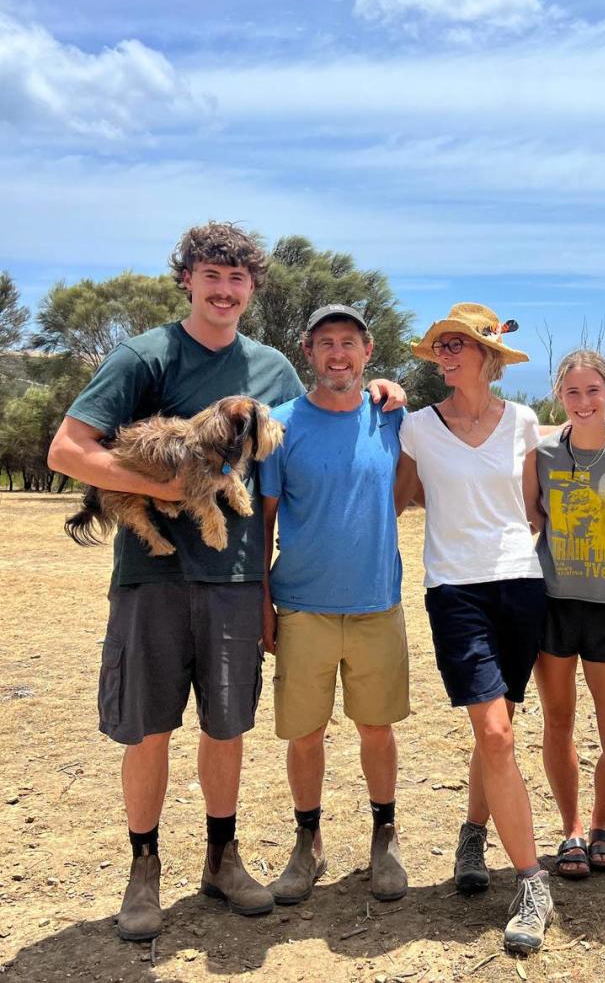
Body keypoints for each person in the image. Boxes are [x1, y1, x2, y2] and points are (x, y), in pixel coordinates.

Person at [47, 225, 404, 942]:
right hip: (152, 578)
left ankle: (221, 856)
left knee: (226, 727)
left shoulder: (271, 367)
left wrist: (380, 387)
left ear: (252, 288)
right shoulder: (144, 356)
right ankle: (143, 868)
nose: (224, 289)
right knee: (148, 729)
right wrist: (168, 483)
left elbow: (324, 406)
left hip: (236, 579)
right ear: (188, 278)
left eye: (237, 279)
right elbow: (68, 448)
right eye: (211, 274)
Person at [396, 303, 553, 956]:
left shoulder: (523, 423)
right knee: (493, 730)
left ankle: (471, 833)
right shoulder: (414, 429)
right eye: (442, 344)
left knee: (501, 731)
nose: (448, 353)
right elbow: (396, 498)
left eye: (460, 343)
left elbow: (532, 509)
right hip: (455, 592)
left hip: (521, 586)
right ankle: (532, 881)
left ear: (490, 357)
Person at [260, 304, 409, 906]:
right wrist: (261, 602)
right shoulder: (279, 425)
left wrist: (396, 392)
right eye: (326, 344)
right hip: (301, 606)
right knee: (306, 733)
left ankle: (385, 837)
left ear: (368, 352)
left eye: (349, 342)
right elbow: (262, 522)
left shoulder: (391, 420)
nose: (338, 354)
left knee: (376, 728)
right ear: (308, 352)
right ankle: (308, 843)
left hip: (377, 603)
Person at [524, 350, 605, 880]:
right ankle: (572, 828)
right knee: (559, 723)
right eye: (572, 393)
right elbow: (529, 518)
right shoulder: (542, 454)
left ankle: (603, 821)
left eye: (593, 391)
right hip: (553, 603)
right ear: (559, 397)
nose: (583, 402)